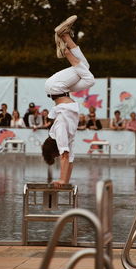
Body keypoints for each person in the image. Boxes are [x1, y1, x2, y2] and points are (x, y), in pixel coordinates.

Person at [42, 15, 95, 187]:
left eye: (55, 156)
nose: (59, 158)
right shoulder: (63, 137)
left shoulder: (59, 132)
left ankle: (65, 50)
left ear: (55, 149)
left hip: (55, 87)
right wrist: (65, 181)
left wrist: (61, 181)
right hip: (60, 91)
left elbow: (64, 155)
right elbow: (70, 158)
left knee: (87, 72)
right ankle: (64, 37)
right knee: (87, 76)